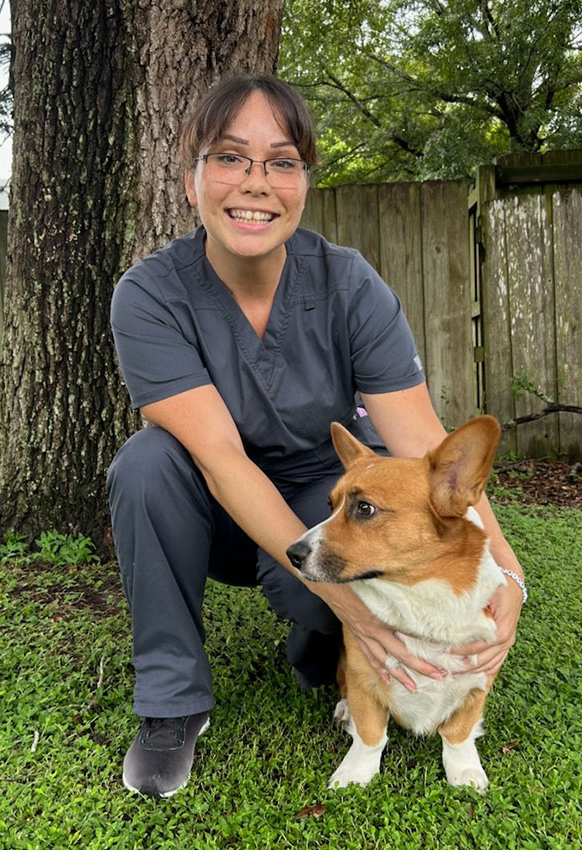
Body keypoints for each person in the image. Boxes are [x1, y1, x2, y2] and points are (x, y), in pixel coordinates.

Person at [107, 74, 526, 799]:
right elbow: (220, 457)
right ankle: (172, 704)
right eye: (231, 157)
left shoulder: (347, 283)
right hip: (209, 503)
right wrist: (349, 604)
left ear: (304, 182)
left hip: (322, 495)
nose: (255, 183)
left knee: (334, 563)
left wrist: (508, 573)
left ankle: (315, 639)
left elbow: (424, 441)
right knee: (145, 463)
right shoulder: (148, 295)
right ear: (191, 180)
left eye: (282, 161)